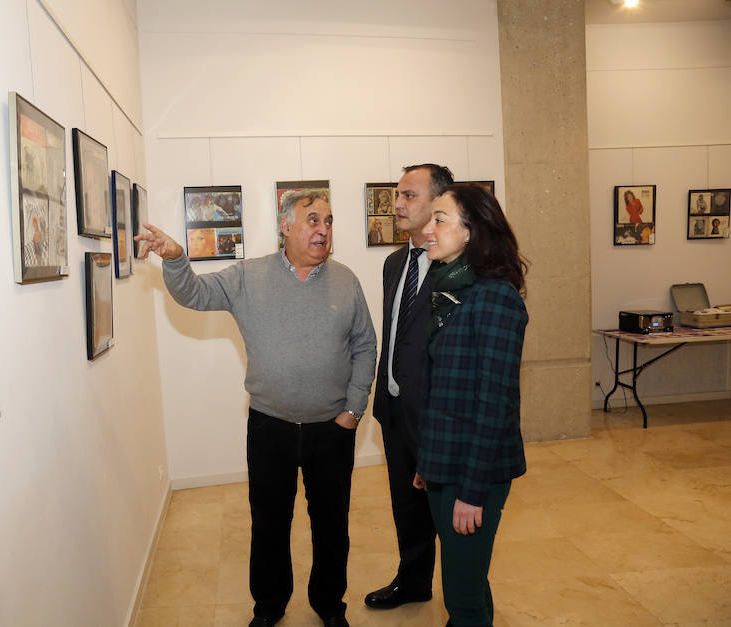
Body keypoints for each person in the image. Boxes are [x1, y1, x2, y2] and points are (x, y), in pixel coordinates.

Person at [135, 189, 376, 627]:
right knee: (268, 525)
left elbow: (365, 345)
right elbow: (194, 293)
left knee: (331, 527)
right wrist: (174, 257)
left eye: (329, 221)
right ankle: (268, 607)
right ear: (286, 226)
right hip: (271, 428)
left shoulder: (346, 280)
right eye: (313, 220)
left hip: (332, 429)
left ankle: (328, 605)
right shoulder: (248, 276)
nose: (323, 229)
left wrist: (354, 410)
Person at [414, 183, 528, 627]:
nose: (427, 229)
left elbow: (493, 403)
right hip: (444, 460)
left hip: (474, 470)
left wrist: (471, 491)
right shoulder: (448, 291)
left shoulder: (496, 299)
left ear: (470, 232)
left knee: (460, 595)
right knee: (469, 578)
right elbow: (440, 388)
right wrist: (428, 460)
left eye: (439, 219)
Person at [365, 163, 454, 610]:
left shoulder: (457, 270)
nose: (397, 204)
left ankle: (467, 604)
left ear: (438, 202)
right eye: (396, 195)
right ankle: (413, 581)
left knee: (455, 517)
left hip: (439, 415)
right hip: (396, 411)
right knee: (407, 506)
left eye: (408, 196)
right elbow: (395, 332)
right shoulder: (394, 262)